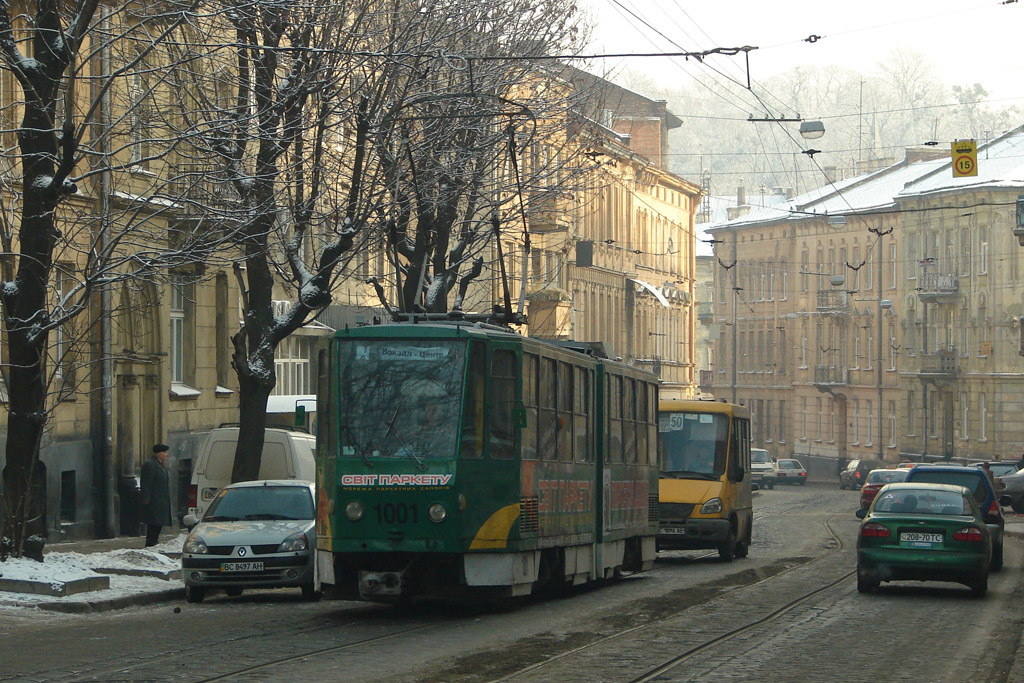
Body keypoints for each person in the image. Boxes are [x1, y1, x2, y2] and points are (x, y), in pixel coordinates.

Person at [140, 443, 171, 547]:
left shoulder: (160, 464)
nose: (166, 454)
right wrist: (146, 499)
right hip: (154, 501)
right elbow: (146, 483)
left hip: (161, 500)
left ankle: (154, 542)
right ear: (158, 453)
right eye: (164, 452)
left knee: (158, 523)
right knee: (154, 523)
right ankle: (151, 543)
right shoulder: (150, 465)